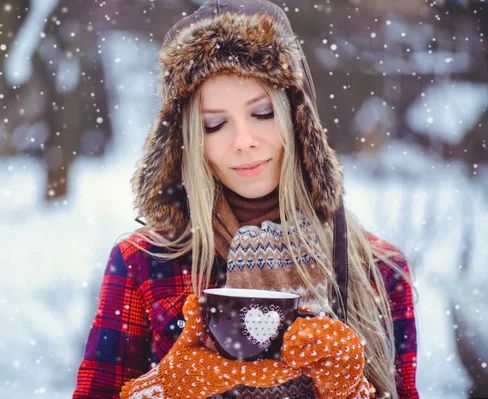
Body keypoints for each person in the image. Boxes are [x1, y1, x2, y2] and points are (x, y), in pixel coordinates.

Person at [72, 0, 418, 398]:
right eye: (214, 124)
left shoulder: (378, 271)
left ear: (297, 120)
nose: (244, 141)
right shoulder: (144, 263)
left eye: (263, 113)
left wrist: (349, 389)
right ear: (189, 142)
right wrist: (164, 389)